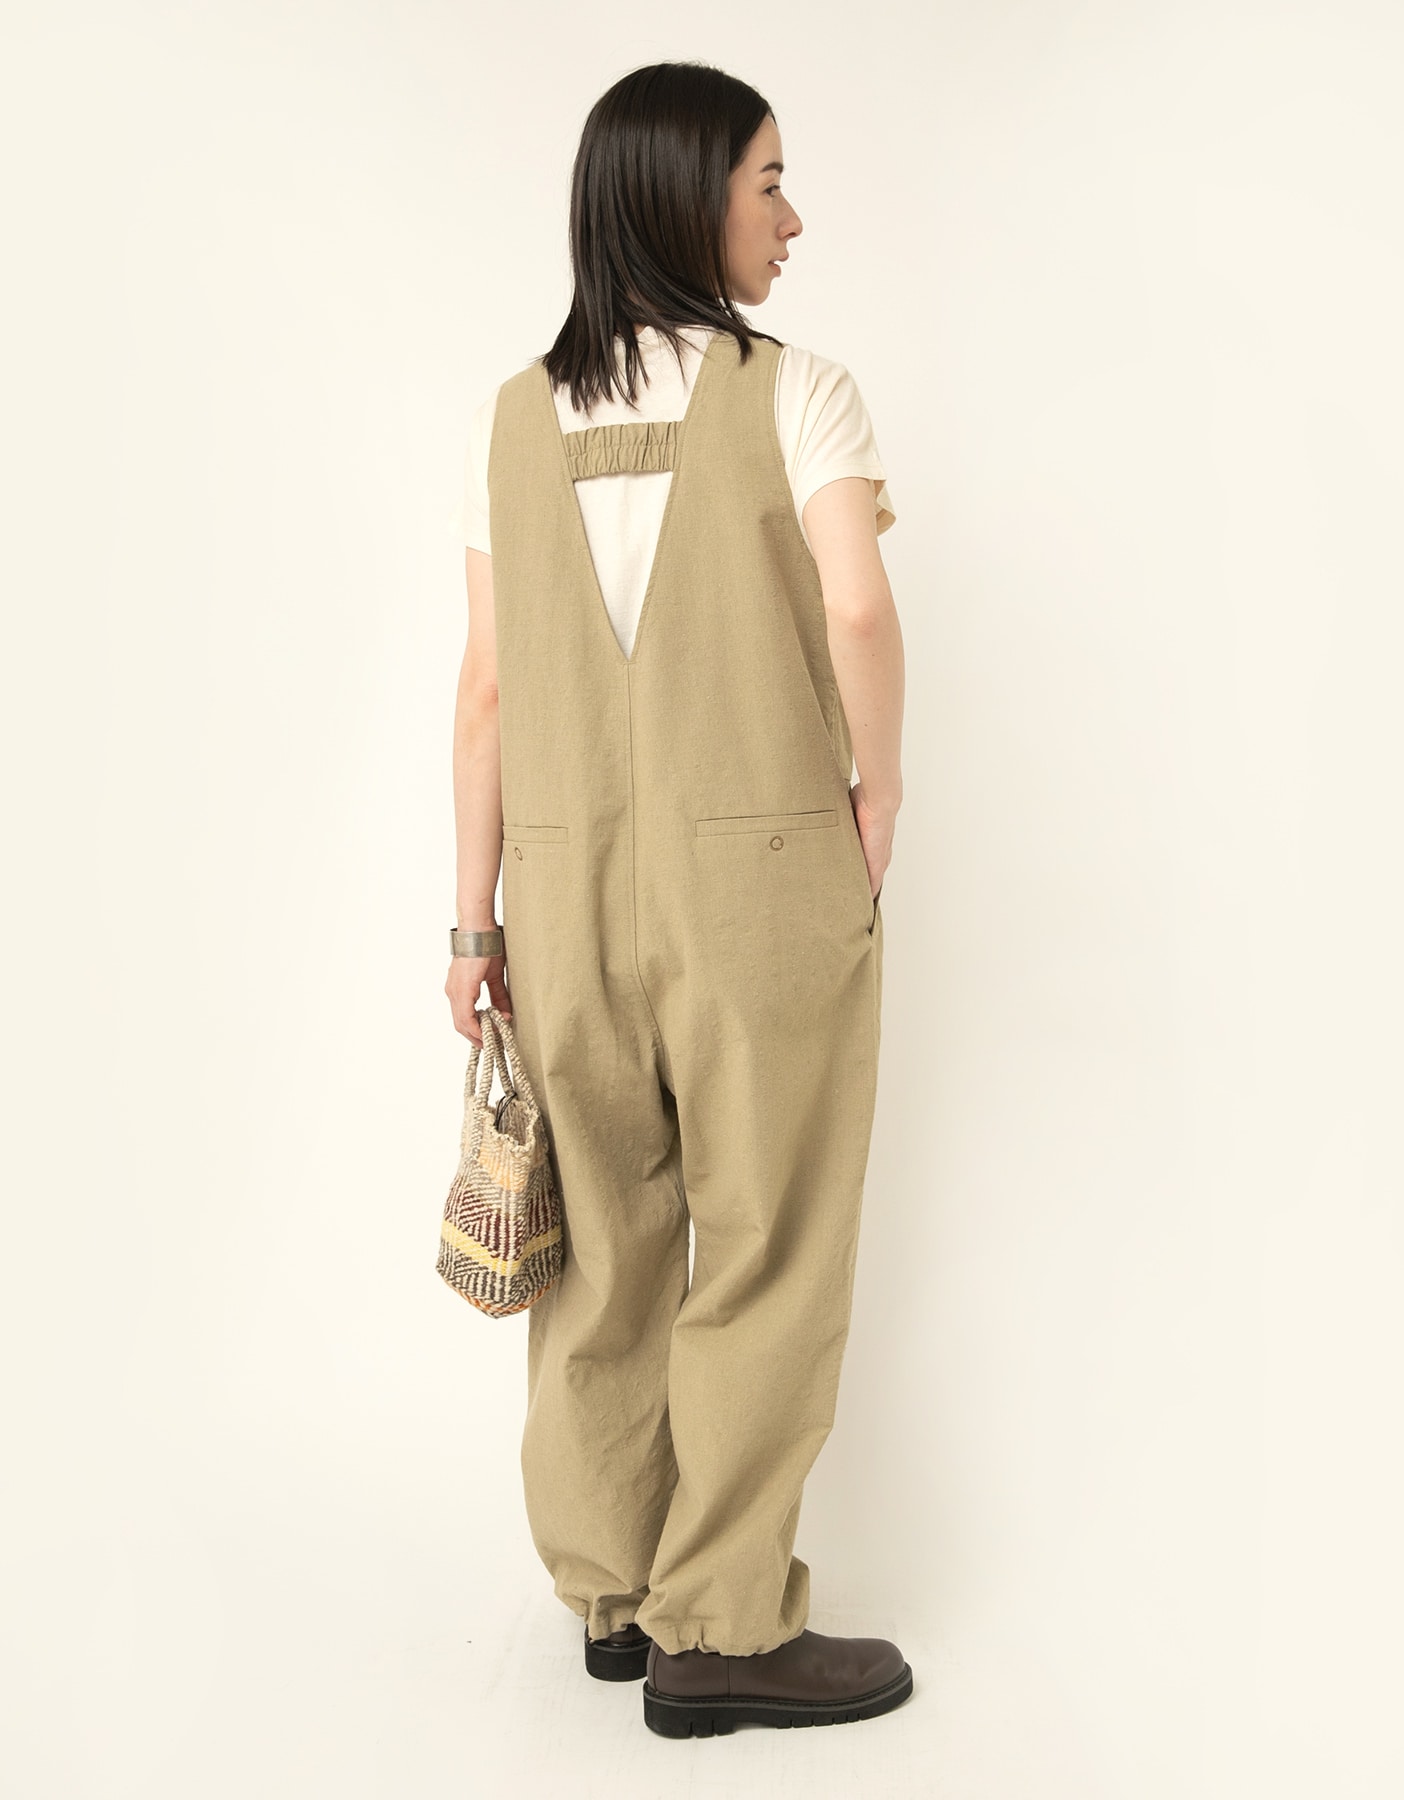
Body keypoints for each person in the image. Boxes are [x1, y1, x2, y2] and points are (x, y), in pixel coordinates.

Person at [445, 61, 911, 1738]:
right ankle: (721, 1628)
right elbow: (855, 611)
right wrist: (879, 791)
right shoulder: (801, 394)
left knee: (600, 1248)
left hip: (566, 895)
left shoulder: (514, 418)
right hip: (763, 880)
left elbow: (490, 690)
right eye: (768, 183)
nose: (793, 218)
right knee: (767, 1238)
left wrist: (474, 924)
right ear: (683, 197)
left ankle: (614, 1593)